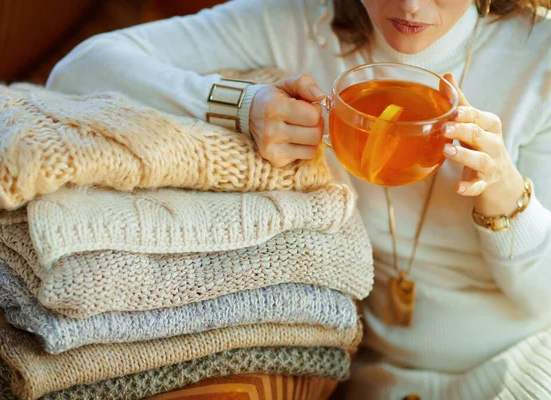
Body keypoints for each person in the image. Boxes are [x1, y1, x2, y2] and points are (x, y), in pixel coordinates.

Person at [46, 0, 551, 398]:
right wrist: (240, 106)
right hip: (372, 380)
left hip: (523, 366)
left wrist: (508, 199)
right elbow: (78, 69)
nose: (412, 7)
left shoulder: (537, 58)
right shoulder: (299, 20)